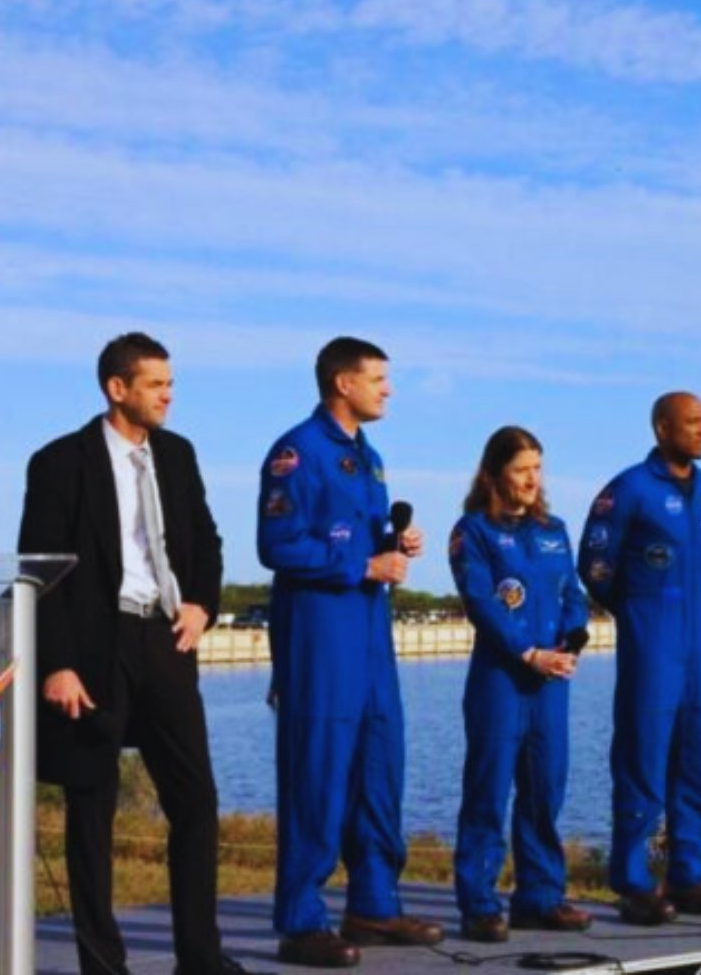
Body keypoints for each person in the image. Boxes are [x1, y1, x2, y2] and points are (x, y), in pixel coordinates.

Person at [18, 333, 248, 974]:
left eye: (170, 384)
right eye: (155, 384)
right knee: (93, 805)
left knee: (196, 800)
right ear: (117, 389)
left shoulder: (178, 454)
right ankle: (102, 962)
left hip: (166, 639)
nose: (168, 395)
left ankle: (200, 956)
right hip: (95, 650)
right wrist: (56, 663)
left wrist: (202, 602)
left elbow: (206, 538)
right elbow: (41, 572)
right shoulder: (61, 462)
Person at [257, 337, 443, 968]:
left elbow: (353, 539)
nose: (387, 389)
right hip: (320, 639)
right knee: (317, 772)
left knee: (379, 767)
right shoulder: (296, 453)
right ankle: (302, 920)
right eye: (378, 379)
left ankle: (372, 902)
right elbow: (279, 545)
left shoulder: (372, 459)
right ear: (342, 383)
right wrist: (361, 562)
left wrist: (394, 545)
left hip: (371, 639)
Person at [576, 392, 701, 925]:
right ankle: (633, 880)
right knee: (642, 759)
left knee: (699, 759)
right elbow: (595, 561)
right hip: (652, 640)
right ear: (663, 428)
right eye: (693, 423)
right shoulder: (629, 489)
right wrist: (634, 611)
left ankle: (690, 875)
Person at [448, 426, 593, 942]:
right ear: (494, 475)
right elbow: (482, 602)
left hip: (551, 682)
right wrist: (527, 652)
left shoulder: (553, 528)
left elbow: (572, 593)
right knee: (488, 792)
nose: (532, 479)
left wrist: (571, 644)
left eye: (537, 468)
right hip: (501, 679)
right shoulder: (474, 532)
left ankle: (540, 896)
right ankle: (479, 902)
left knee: (544, 789)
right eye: (521, 469)